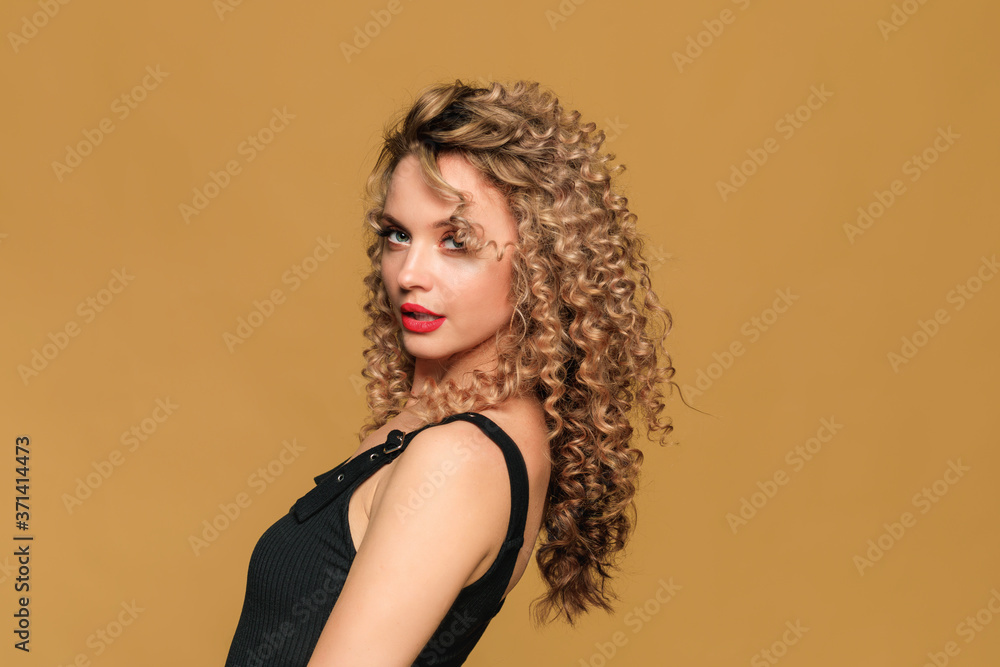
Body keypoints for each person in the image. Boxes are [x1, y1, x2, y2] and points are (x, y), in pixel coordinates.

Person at [223, 79, 678, 666]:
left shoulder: (460, 461)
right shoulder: (441, 427)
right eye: (397, 235)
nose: (410, 272)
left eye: (455, 241)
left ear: (541, 262)